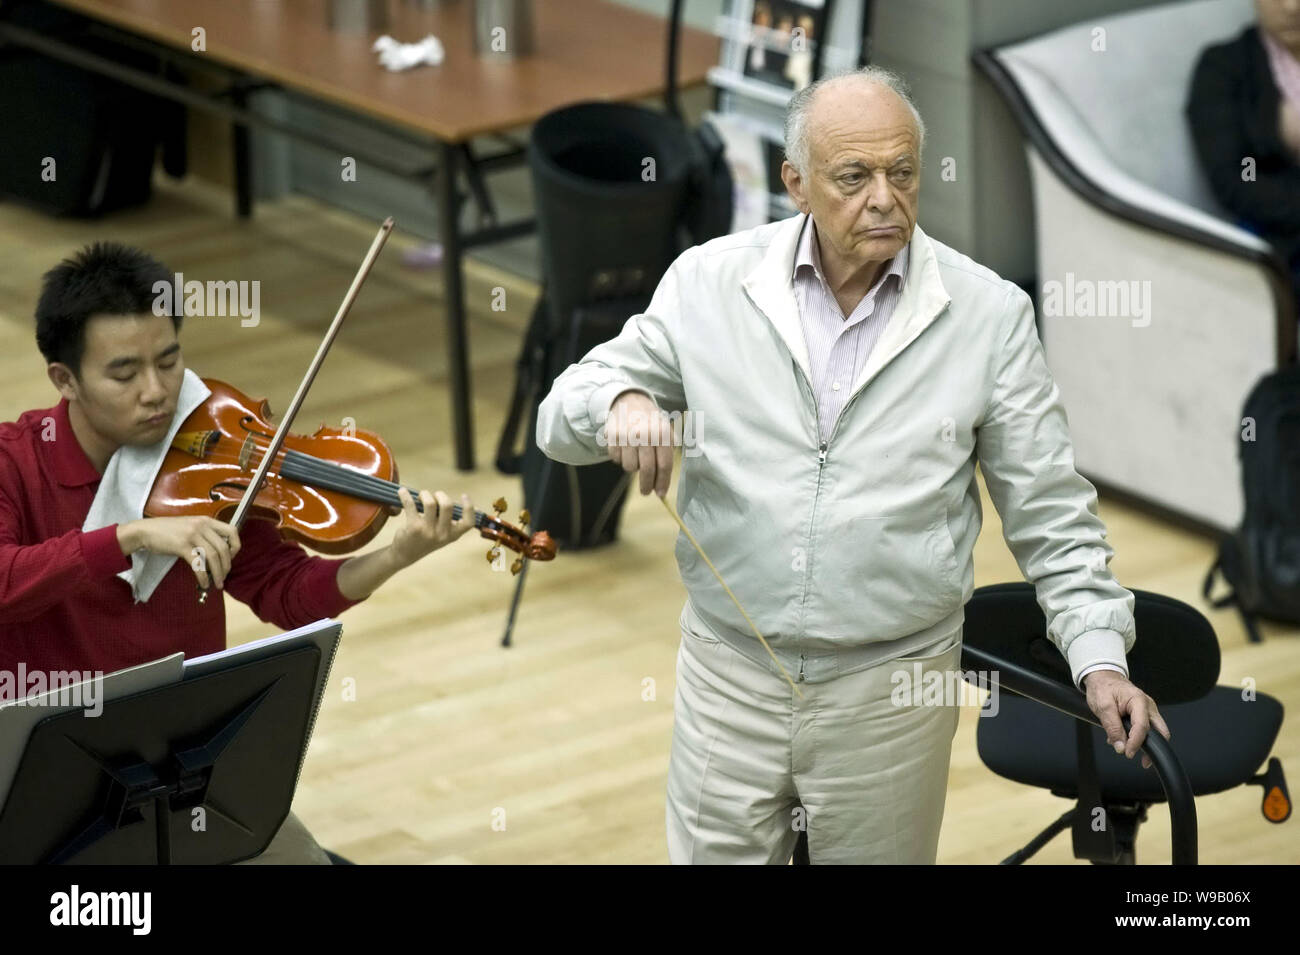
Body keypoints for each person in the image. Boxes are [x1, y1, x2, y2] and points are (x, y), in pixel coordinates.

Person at [536, 67, 1170, 864]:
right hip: (729, 676)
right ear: (795, 183)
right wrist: (622, 400)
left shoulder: (989, 317)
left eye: (902, 172)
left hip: (890, 695)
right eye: (854, 176)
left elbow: (1052, 514)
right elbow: (560, 418)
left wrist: (1101, 657)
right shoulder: (708, 283)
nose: (884, 197)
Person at [0, 242, 476, 864]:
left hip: (182, 762)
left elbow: (285, 593)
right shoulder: (14, 462)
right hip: (42, 774)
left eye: (169, 361)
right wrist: (131, 535)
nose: (158, 393)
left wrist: (393, 556)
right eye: (124, 374)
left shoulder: (211, 455)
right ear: (65, 380)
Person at [1187, 0, 1300, 305]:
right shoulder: (1225, 68)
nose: (1291, 7)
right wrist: (1277, 137)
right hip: (1282, 241)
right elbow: (1237, 181)